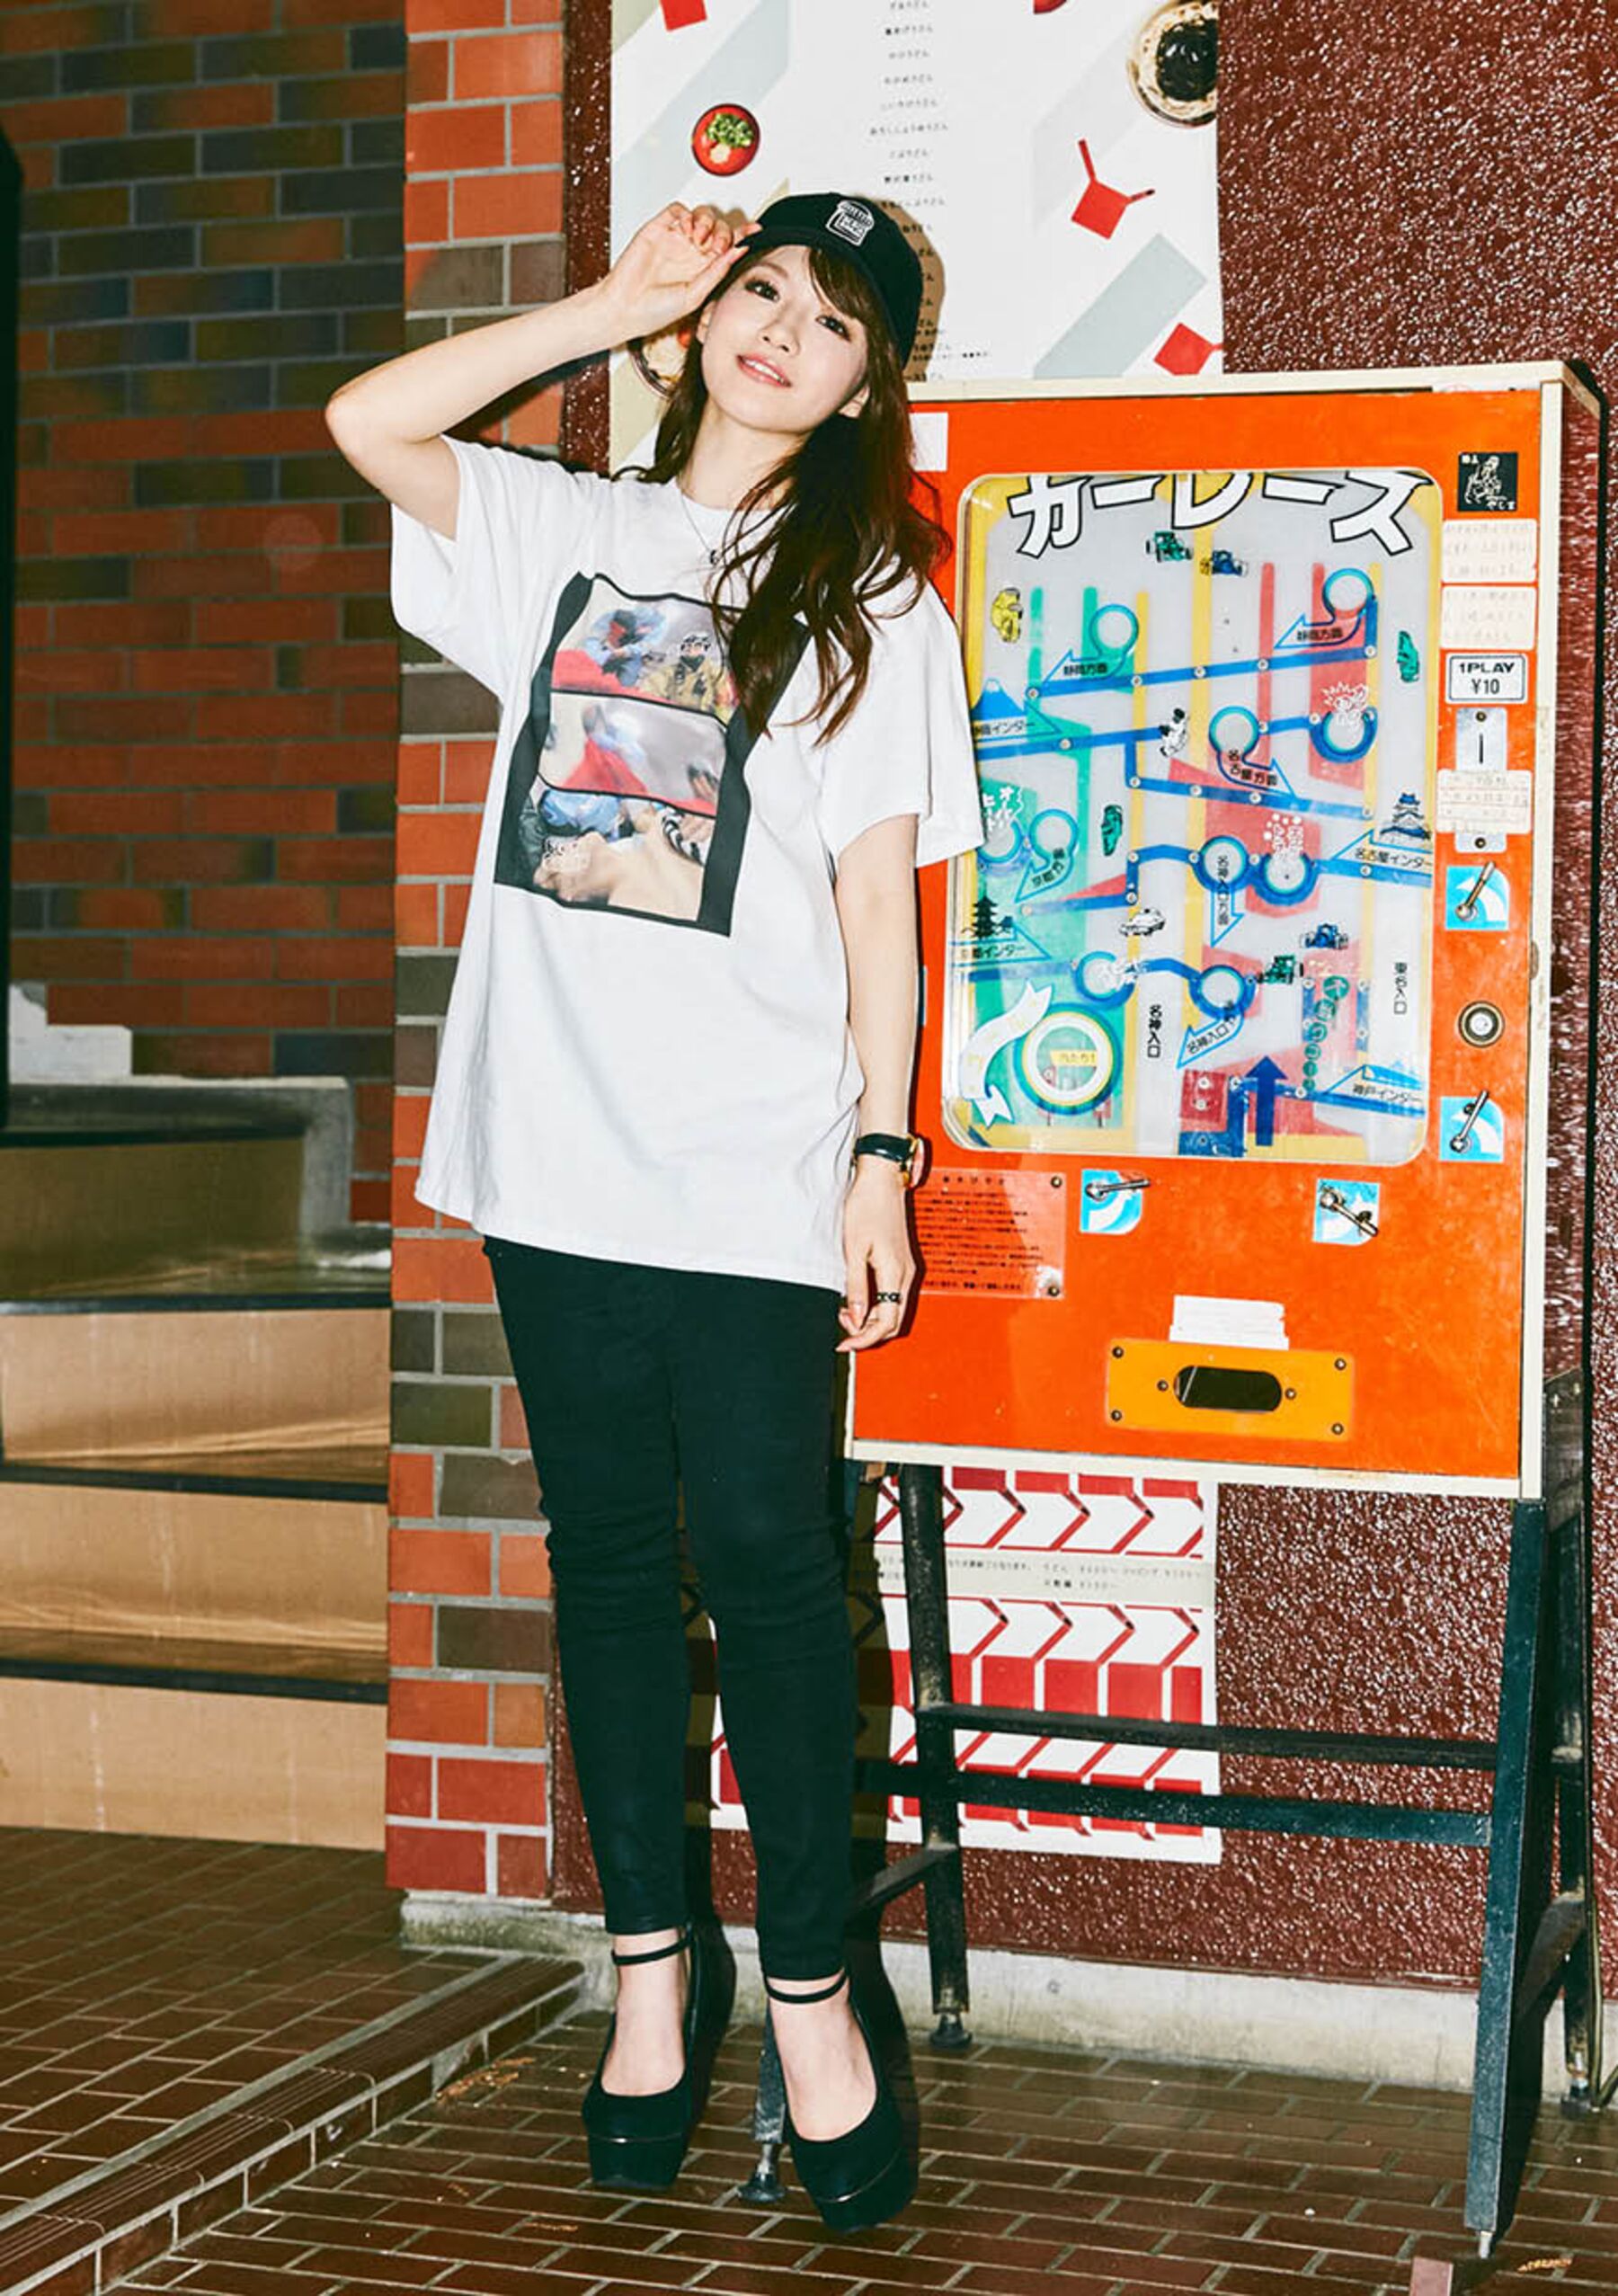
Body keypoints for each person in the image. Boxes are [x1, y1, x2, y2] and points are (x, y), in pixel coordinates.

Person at [326, 191, 981, 2232]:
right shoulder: (564, 532)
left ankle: (812, 1992)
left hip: (756, 1155)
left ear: (867, 386)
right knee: (609, 1566)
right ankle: (647, 1975)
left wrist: (883, 1156)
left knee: (775, 1572)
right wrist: (606, 303)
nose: (782, 329)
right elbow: (366, 420)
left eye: (832, 320)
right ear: (706, 323)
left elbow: (877, 903)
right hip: (557, 1144)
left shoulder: (871, 596)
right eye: (761, 289)